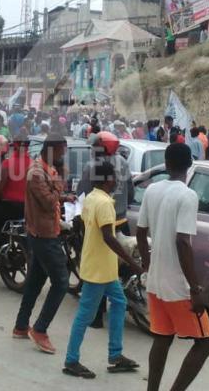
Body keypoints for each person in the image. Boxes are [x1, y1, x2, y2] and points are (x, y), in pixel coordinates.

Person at [136, 143, 209, 391]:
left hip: (156, 281)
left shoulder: (152, 190)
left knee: (162, 338)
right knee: (206, 343)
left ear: (166, 164)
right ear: (190, 164)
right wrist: (195, 288)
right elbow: (183, 242)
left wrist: (148, 265)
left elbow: (140, 232)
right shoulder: (187, 195)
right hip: (178, 286)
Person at [63, 161, 142, 379]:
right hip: (99, 269)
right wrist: (132, 262)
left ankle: (115, 355)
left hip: (102, 267)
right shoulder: (105, 203)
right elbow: (109, 236)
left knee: (119, 302)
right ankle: (71, 360)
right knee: (84, 315)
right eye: (115, 177)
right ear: (108, 179)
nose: (117, 180)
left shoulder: (91, 197)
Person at [13, 133, 72, 354]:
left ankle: (21, 325)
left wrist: (64, 197)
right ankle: (40, 329)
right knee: (61, 282)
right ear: (53, 150)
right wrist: (60, 185)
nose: (64, 155)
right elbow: (47, 202)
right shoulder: (37, 173)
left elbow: (50, 198)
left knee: (36, 281)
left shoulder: (46, 170)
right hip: (43, 235)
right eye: (62, 151)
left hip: (45, 231)